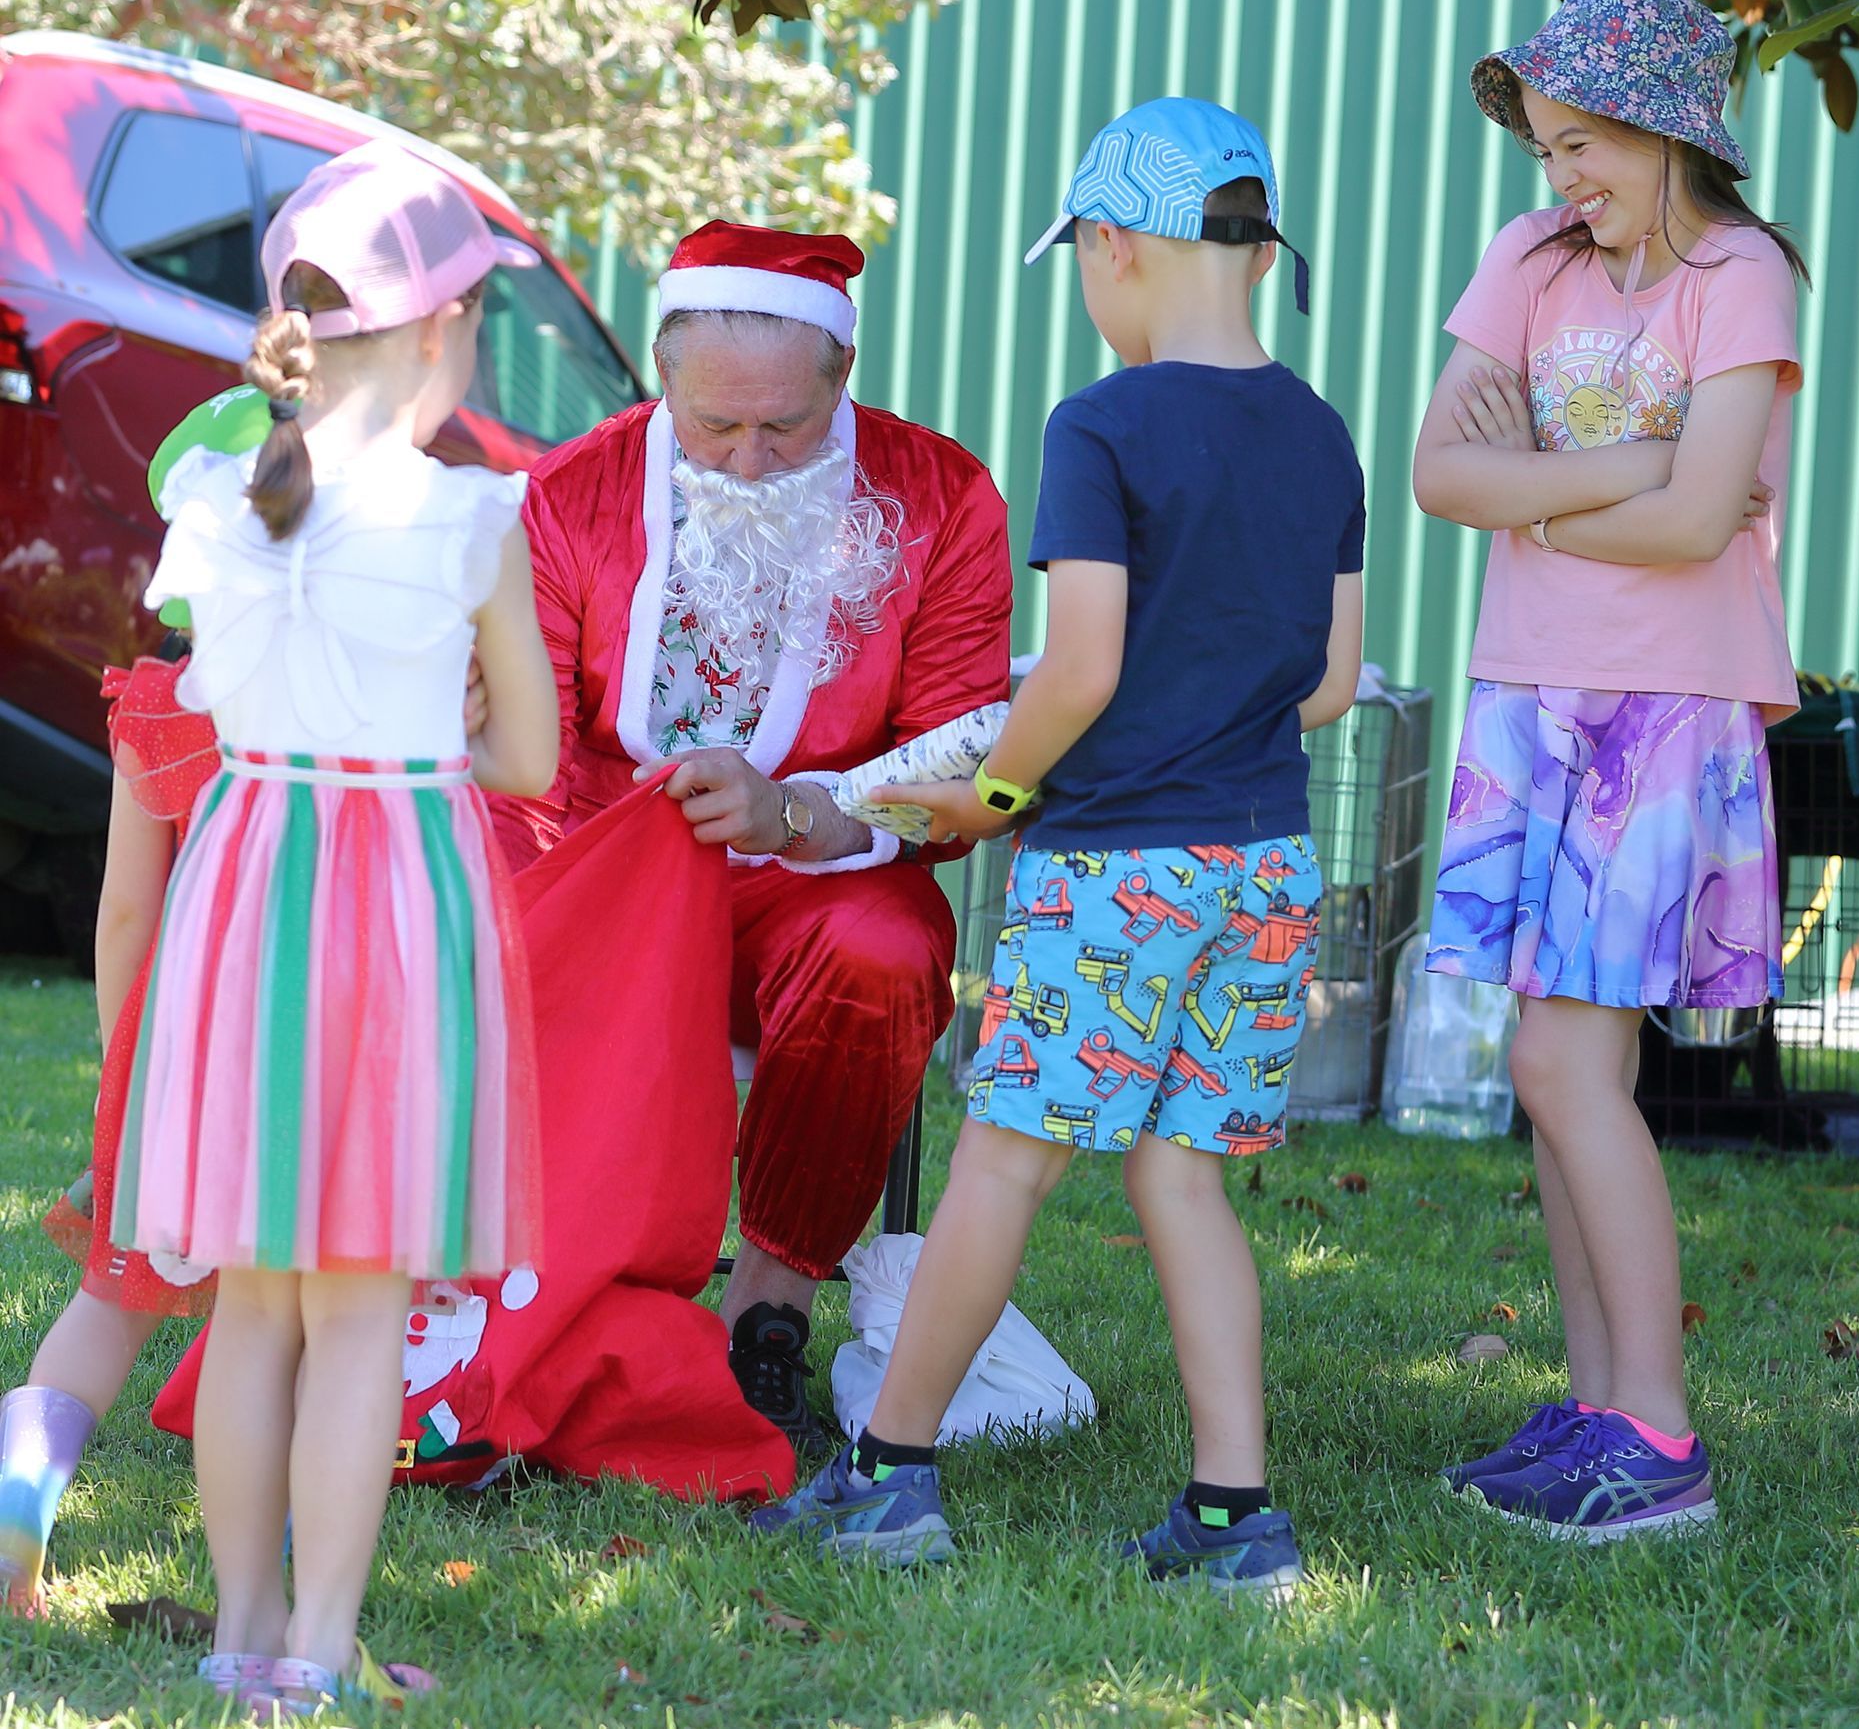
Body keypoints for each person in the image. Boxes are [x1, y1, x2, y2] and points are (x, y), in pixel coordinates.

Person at [753, 97, 1365, 1598]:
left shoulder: (1101, 421)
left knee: (1006, 1163)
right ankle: (1236, 1513)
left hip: (1112, 872)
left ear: (1114, 245)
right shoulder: (1319, 427)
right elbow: (1334, 683)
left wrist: (995, 798)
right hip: (1265, 864)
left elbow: (1077, 668)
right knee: (1186, 1171)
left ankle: (889, 1476)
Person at [110, 140, 557, 1706]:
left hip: (244, 884)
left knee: (253, 1297)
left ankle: (241, 1624)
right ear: (442, 331)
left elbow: (213, 704)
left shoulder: (208, 497)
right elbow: (530, 763)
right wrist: (456, 706)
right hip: (396, 897)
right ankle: (318, 1645)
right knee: (359, 1301)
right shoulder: (468, 518)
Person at [485, 219, 1013, 1456]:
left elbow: (977, 746)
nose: (747, 457)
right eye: (713, 425)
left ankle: (763, 1311)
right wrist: (562, 896)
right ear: (663, 375)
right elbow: (527, 763)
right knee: (499, 935)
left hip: (812, 874)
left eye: (784, 426)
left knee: (884, 957)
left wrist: (802, 812)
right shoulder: (569, 496)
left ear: (843, 380)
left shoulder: (939, 497)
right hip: (606, 864)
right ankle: (543, 1300)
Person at [1410, 0, 1805, 1541]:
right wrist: (1610, 472)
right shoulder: (1528, 257)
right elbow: (1442, 468)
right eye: (1547, 145)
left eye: (1583, 145)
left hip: (1665, 706)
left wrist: (1538, 487)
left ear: (1670, 131)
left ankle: (1660, 1434)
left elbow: (1706, 518)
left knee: (1569, 1063)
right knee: (1556, 1061)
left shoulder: (1742, 271)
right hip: (1529, 695)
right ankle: (1595, 1408)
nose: (1558, 176)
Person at [0, 658, 218, 1620]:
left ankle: (14, 1523)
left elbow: (127, 910)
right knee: (282, 1321)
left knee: (108, 1301)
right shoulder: (357, 683)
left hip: (173, 1045)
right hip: (306, 1046)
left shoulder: (167, 701)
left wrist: (124, 1086)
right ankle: (275, 1564)